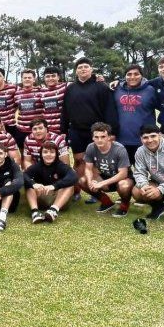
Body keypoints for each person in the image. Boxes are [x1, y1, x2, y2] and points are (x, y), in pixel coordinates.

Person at [60, 57, 119, 198]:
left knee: (96, 162)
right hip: (76, 131)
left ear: (91, 69)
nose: (83, 69)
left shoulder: (101, 86)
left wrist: (112, 132)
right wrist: (63, 131)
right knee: (79, 161)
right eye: (80, 67)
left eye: (86, 66)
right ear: (76, 71)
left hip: (96, 133)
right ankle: (79, 189)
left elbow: (109, 110)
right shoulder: (70, 89)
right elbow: (65, 111)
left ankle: (96, 189)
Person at [79, 122, 134, 217]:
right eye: (96, 137)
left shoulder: (119, 149)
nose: (99, 140)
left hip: (121, 179)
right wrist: (89, 182)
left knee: (124, 186)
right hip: (105, 176)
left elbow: (123, 174)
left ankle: (124, 205)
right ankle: (106, 202)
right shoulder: (90, 147)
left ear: (109, 137)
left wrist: (101, 184)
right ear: (92, 137)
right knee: (82, 181)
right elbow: (88, 168)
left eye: (103, 136)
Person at [113, 64, 157, 163]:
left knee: (143, 172)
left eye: (136, 74)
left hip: (144, 140)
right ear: (125, 77)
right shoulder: (116, 89)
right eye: (129, 74)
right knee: (124, 173)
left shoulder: (150, 90)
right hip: (121, 140)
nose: (132, 77)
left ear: (142, 76)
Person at [24, 141, 77, 224]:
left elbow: (73, 176)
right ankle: (35, 212)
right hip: (42, 196)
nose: (49, 154)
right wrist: (33, 184)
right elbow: (24, 176)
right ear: (41, 154)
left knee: (70, 186)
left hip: (58, 198)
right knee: (29, 186)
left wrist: (54, 186)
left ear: (56, 154)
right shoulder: (37, 166)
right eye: (45, 152)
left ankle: (53, 210)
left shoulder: (61, 165)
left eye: (52, 152)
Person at [14, 69, 42, 149]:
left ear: (34, 79)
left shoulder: (40, 92)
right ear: (22, 79)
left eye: (29, 78)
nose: (27, 79)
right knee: (22, 153)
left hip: (36, 129)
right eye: (25, 78)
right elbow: (14, 108)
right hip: (21, 129)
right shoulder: (16, 93)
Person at [38, 66, 67, 134]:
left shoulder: (65, 87)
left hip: (63, 129)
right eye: (47, 76)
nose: (50, 78)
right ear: (44, 78)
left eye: (53, 76)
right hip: (47, 130)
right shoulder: (41, 92)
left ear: (58, 77)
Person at [0, 67, 18, 137]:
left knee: (12, 146)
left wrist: (11, 112)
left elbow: (18, 102)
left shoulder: (13, 88)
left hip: (10, 124)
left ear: (3, 77)